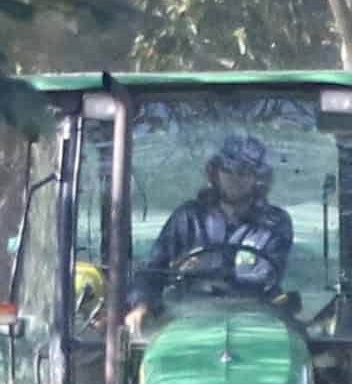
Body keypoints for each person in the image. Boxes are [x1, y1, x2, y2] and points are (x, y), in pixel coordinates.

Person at [123, 133, 295, 327]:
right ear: (215, 173)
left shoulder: (274, 223)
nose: (234, 178)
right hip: (186, 316)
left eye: (244, 172)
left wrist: (203, 269)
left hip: (255, 318)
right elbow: (152, 270)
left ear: (258, 178)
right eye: (228, 170)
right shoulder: (187, 218)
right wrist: (141, 304)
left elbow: (264, 278)